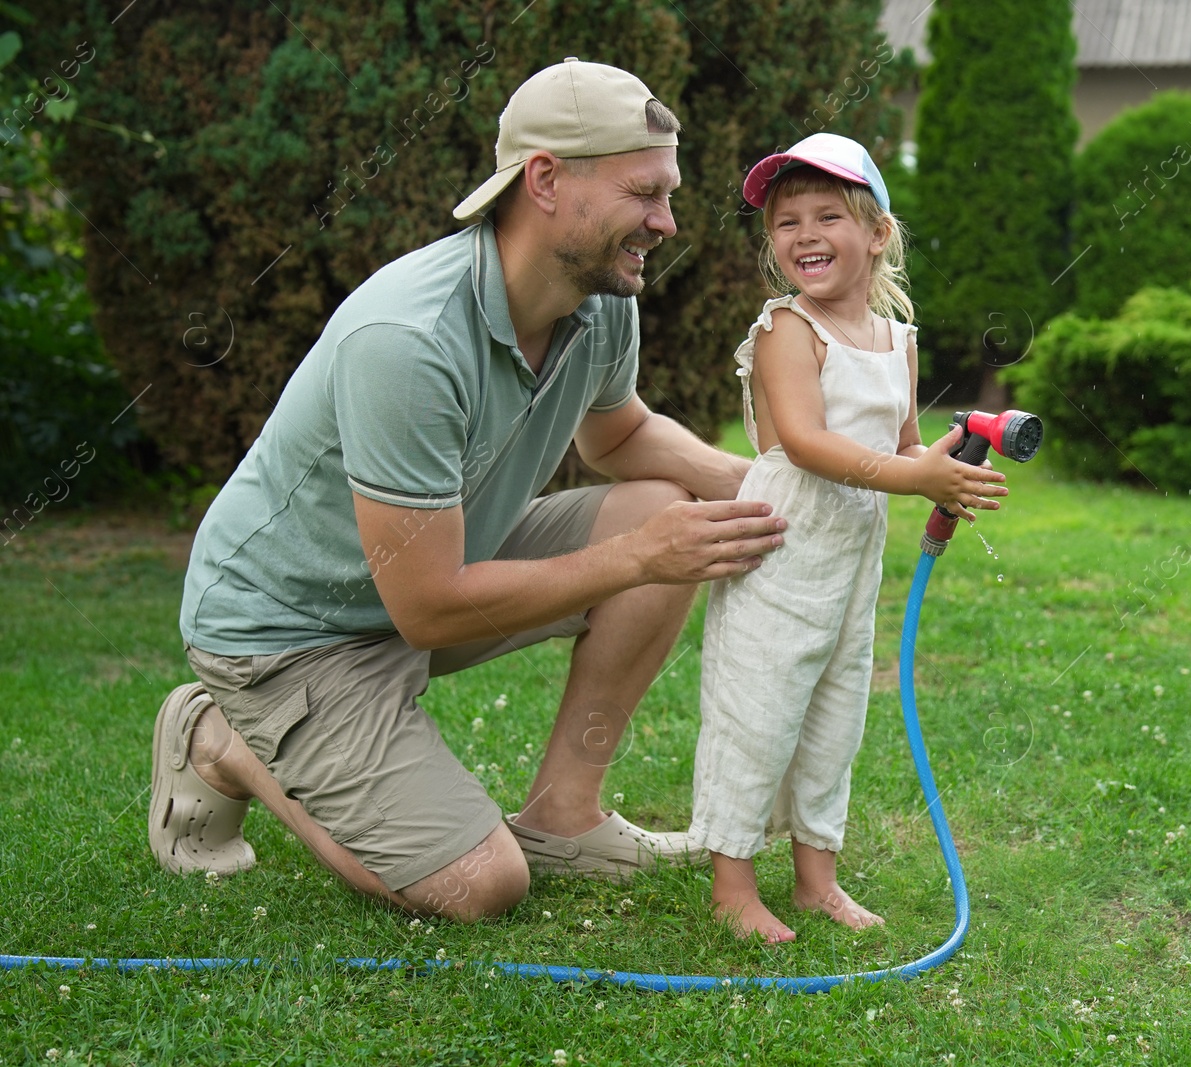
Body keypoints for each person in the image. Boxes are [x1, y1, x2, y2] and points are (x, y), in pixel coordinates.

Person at [148, 58, 788, 922]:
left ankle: (566, 815)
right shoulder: (407, 339)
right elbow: (431, 609)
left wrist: (775, 485)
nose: (667, 222)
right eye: (645, 193)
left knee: (666, 504)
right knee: (479, 886)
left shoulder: (601, 298)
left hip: (429, 581)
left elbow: (621, 435)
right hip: (290, 636)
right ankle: (223, 740)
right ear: (547, 180)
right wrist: (638, 557)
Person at [686, 134, 1007, 943]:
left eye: (828, 214)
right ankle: (731, 883)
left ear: (878, 233)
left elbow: (900, 444)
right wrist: (912, 478)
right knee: (758, 710)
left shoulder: (897, 339)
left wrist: (940, 471)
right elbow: (805, 442)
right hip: (781, 547)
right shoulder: (787, 329)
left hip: (851, 560)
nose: (804, 233)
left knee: (834, 714)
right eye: (786, 221)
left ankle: (815, 878)